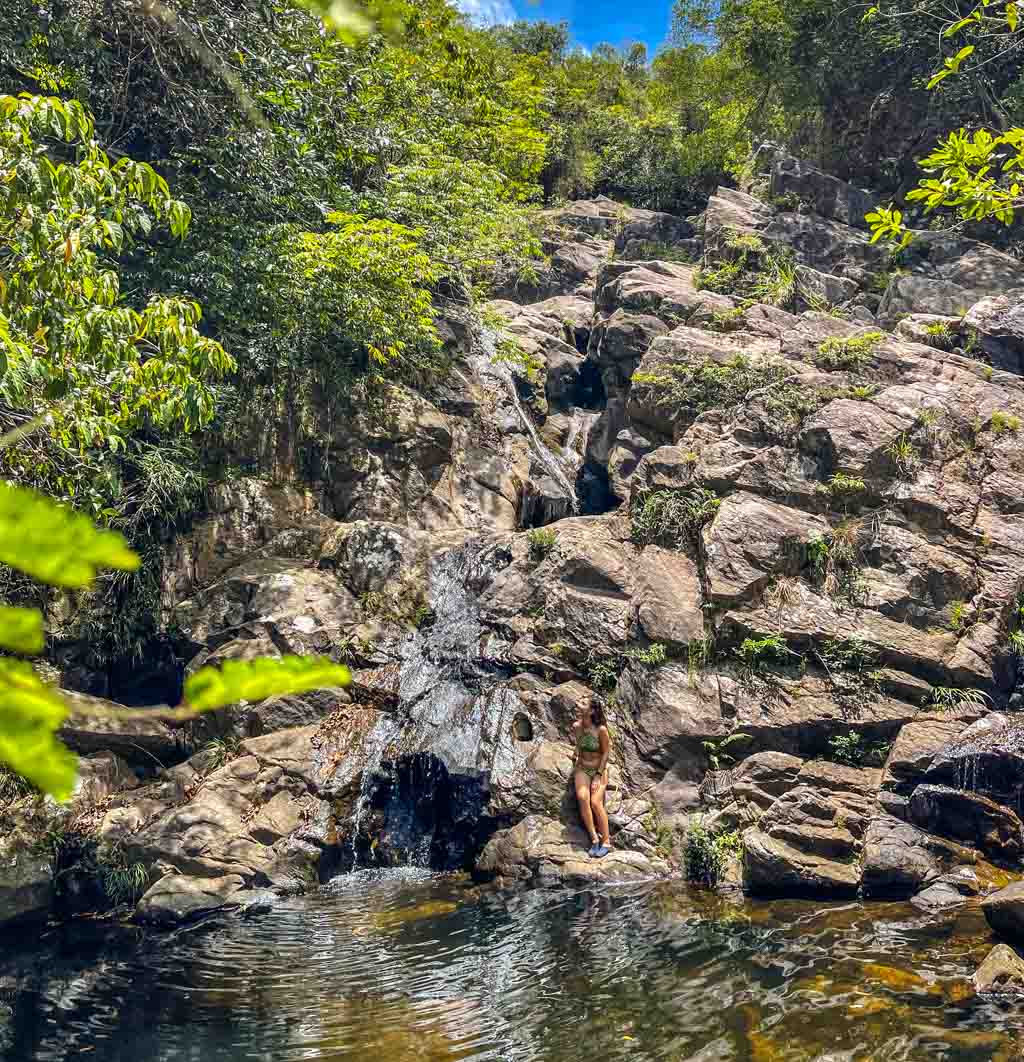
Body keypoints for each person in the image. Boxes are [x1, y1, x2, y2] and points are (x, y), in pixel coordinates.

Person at [572, 694, 612, 858]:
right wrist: (575, 754)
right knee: (582, 797)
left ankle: (607, 841)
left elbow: (606, 752)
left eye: (583, 703)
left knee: (595, 802)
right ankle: (594, 838)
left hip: (598, 769)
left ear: (592, 710)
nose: (578, 704)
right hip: (582, 768)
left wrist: (598, 775)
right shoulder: (576, 726)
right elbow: (579, 745)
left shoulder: (601, 730)